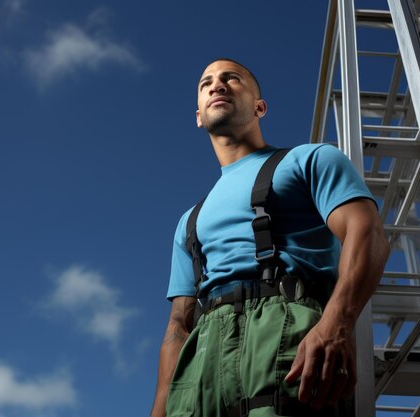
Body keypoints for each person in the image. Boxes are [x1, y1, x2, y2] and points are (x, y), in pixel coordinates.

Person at [151, 58, 390, 417]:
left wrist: (338, 322)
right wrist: (160, 408)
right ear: (199, 115)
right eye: (207, 83)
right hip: (200, 365)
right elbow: (178, 324)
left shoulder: (309, 160)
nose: (217, 85)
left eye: (231, 78)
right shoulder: (189, 221)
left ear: (260, 106)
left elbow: (367, 233)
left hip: (283, 335)